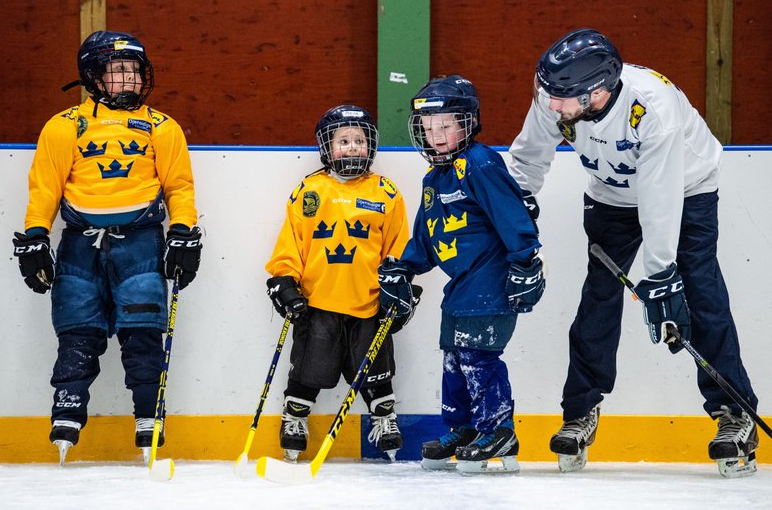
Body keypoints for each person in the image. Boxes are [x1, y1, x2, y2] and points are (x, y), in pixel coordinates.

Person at [507, 28, 759, 477]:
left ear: (598, 92)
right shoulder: (558, 95)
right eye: (546, 93)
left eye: (561, 98)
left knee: (700, 290)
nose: (550, 106)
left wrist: (661, 275)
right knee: (598, 297)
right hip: (610, 196)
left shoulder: (652, 110)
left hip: (688, 187)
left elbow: (662, 198)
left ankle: (734, 412)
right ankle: (580, 409)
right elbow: (528, 157)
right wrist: (517, 204)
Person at [12, 31, 202, 464]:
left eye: (134, 71)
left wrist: (184, 231)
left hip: (142, 244)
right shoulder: (64, 126)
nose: (130, 79)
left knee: (143, 333)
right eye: (118, 71)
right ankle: (68, 410)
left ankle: (148, 417)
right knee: (78, 330)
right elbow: (44, 188)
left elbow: (179, 186)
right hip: (79, 244)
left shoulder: (161, 126)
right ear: (94, 76)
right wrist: (35, 235)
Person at [378, 76, 545, 474]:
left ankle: (499, 430)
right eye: (429, 128)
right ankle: (465, 429)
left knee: (478, 359)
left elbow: (512, 214)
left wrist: (526, 261)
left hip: (491, 283)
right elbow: (426, 238)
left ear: (467, 123)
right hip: (460, 289)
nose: (436, 136)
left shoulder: (481, 163)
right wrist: (403, 267)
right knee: (454, 359)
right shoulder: (434, 180)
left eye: (446, 126)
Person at [264, 105, 415, 462]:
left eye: (359, 141)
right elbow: (292, 244)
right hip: (318, 302)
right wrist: (285, 281)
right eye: (343, 140)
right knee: (309, 365)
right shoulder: (310, 190)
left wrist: (401, 287)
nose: (352, 148)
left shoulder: (385, 193)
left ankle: (384, 416)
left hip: (369, 303)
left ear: (371, 146)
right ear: (327, 147)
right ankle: (295, 417)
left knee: (375, 365)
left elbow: (399, 248)